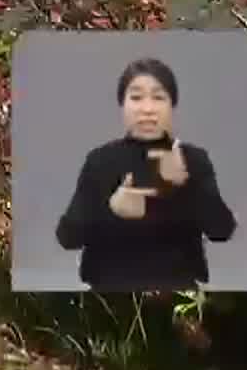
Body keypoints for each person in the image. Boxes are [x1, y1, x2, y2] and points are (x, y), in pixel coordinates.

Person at [54, 57, 237, 291]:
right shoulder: (100, 160)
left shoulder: (193, 159)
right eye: (136, 97)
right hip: (109, 292)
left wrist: (185, 184)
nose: (147, 108)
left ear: (172, 105)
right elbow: (68, 238)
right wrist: (111, 211)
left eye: (159, 97)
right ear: (122, 105)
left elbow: (222, 231)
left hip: (178, 292)